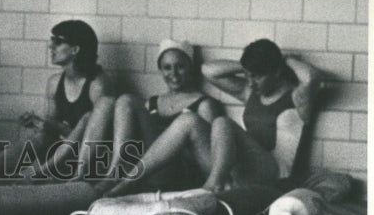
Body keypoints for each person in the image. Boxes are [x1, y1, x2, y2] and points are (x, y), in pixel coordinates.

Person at [103, 38, 321, 197]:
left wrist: (285, 59)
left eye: (257, 77)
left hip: (274, 174)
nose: (251, 83)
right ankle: (127, 180)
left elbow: (311, 77)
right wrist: (249, 66)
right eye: (248, 76)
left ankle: (213, 186)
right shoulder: (251, 92)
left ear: (275, 72)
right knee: (188, 121)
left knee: (221, 122)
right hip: (238, 170)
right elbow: (209, 70)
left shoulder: (297, 97)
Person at [98, 39, 221, 187]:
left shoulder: (203, 104)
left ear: (191, 68)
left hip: (178, 171)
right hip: (144, 169)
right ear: (161, 70)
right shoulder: (152, 102)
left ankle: (115, 178)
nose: (173, 73)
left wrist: (173, 139)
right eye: (167, 68)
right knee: (126, 100)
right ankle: (114, 172)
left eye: (180, 66)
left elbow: (211, 154)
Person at [8, 20, 112, 181]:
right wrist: (37, 123)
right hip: (63, 155)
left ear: (75, 49)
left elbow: (97, 140)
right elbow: (49, 133)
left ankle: (39, 174)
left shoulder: (97, 85)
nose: (51, 46)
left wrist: (53, 126)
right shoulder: (54, 82)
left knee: (85, 120)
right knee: (39, 138)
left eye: (58, 41)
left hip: (90, 159)